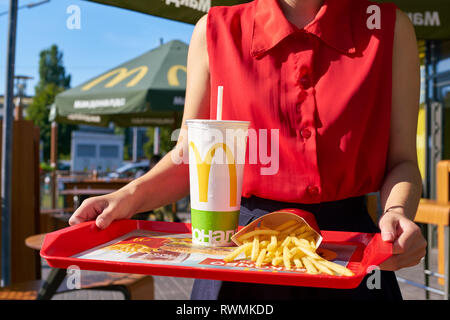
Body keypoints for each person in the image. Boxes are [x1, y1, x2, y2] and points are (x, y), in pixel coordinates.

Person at [69, 0, 426, 300]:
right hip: (235, 254)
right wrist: (127, 197)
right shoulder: (213, 30)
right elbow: (191, 157)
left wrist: (397, 212)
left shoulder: (388, 29)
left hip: (352, 257)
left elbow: (403, 161)